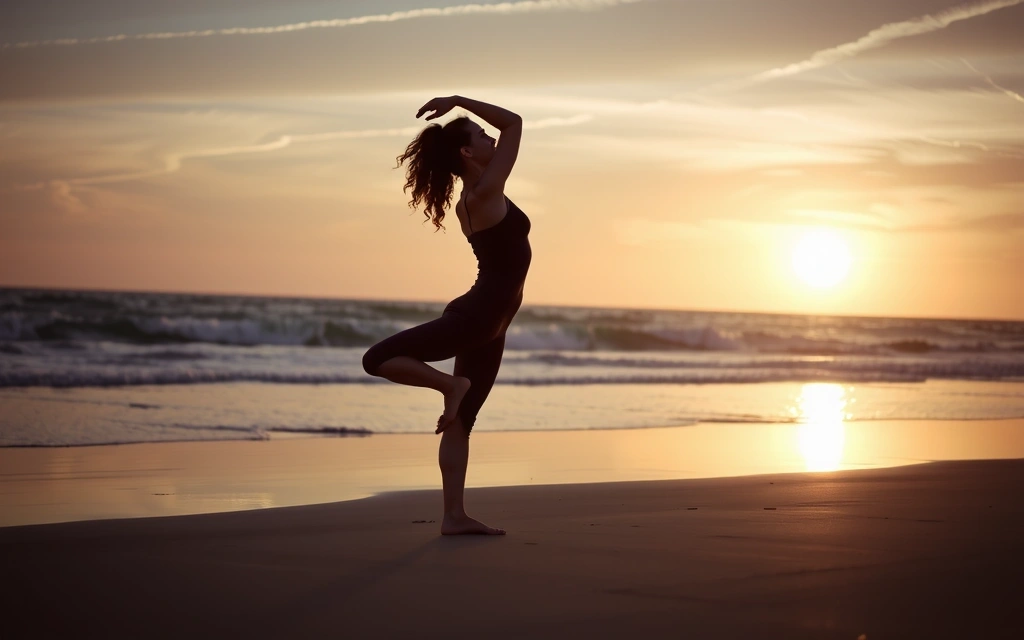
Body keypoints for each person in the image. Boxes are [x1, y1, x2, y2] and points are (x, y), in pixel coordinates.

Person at [362, 96, 531, 536]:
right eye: (479, 134)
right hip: (477, 318)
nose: (489, 134)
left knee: (463, 420)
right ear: (467, 153)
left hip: (491, 325)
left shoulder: (481, 195)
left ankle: (454, 517)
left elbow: (506, 128)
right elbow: (513, 123)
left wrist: (459, 105)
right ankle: (448, 384)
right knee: (375, 359)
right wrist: (458, 101)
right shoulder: (482, 195)